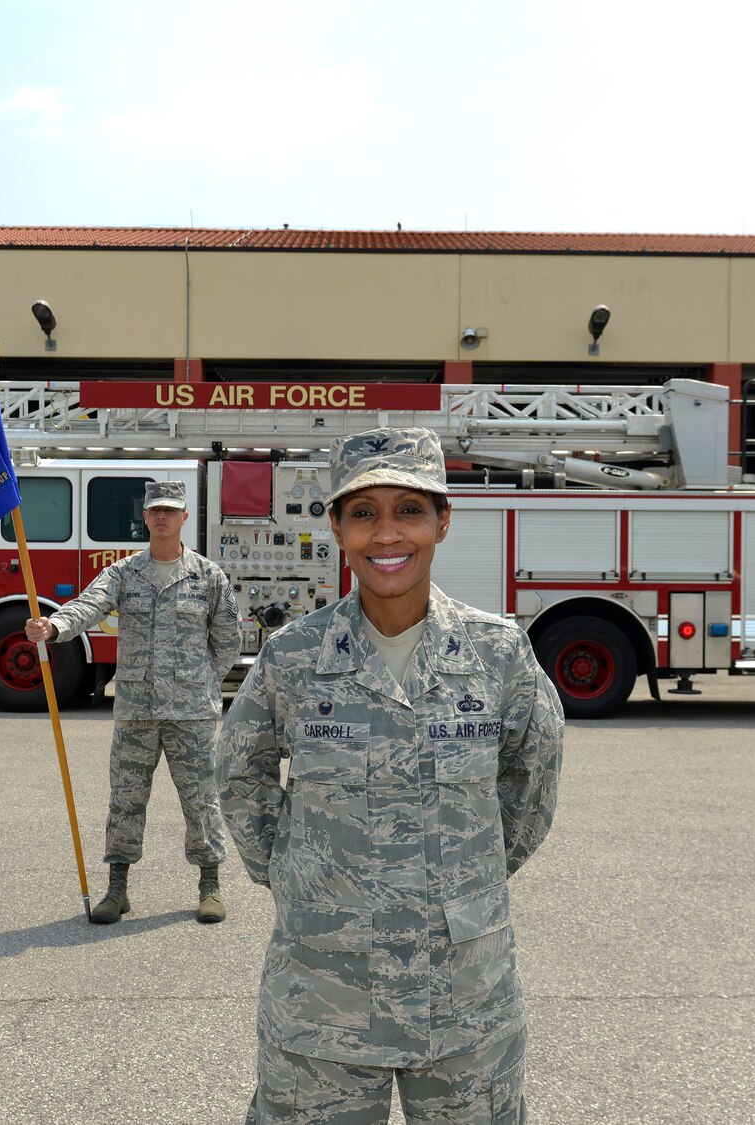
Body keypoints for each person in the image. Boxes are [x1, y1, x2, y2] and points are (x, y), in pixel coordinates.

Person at [217, 428, 565, 1123]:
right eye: (364, 512)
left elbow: (531, 788)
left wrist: (471, 878)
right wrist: (296, 874)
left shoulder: (497, 655)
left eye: (409, 508)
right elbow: (240, 774)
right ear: (339, 529)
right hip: (325, 1001)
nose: (387, 533)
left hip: (465, 1001)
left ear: (442, 520)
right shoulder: (293, 657)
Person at [26, 479, 241, 924]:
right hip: (136, 710)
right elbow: (90, 605)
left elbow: (227, 642)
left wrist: (199, 683)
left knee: (201, 799)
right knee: (125, 799)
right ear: (144, 518)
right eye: (154, 510)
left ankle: (209, 884)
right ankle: (117, 889)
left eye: (171, 510)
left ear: (184, 518)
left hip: (192, 713)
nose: (162, 517)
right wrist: (55, 627)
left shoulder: (208, 576)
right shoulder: (124, 573)